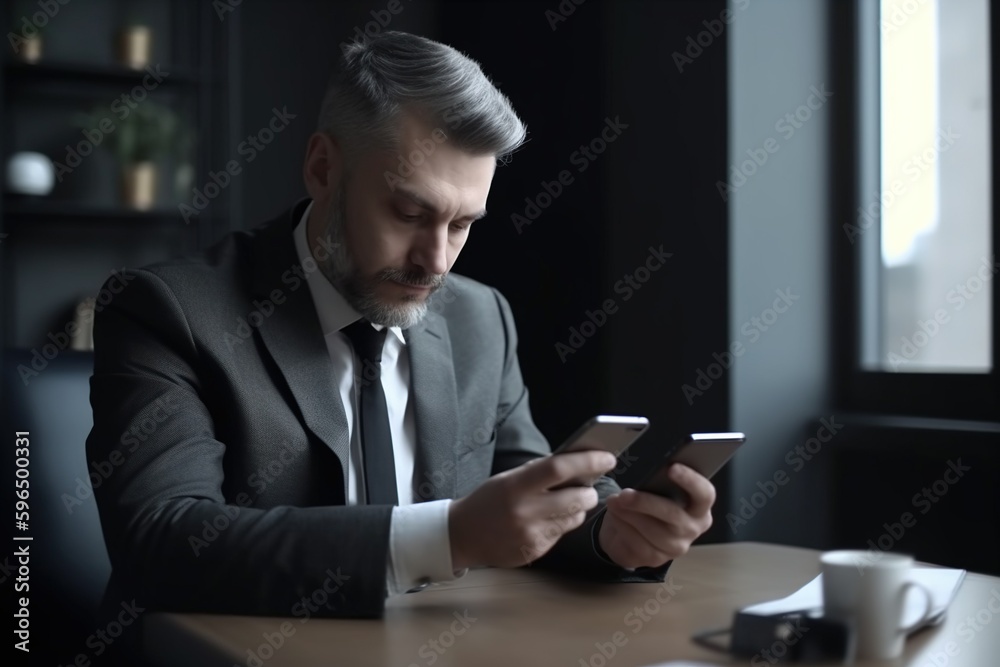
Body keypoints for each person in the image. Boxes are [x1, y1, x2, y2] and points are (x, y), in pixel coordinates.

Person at [86, 30, 715, 621]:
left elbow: (526, 490)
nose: (436, 262)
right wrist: (451, 535)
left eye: (464, 224)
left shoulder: (479, 318)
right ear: (323, 169)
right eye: (410, 211)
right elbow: (161, 540)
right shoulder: (169, 311)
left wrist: (614, 536)